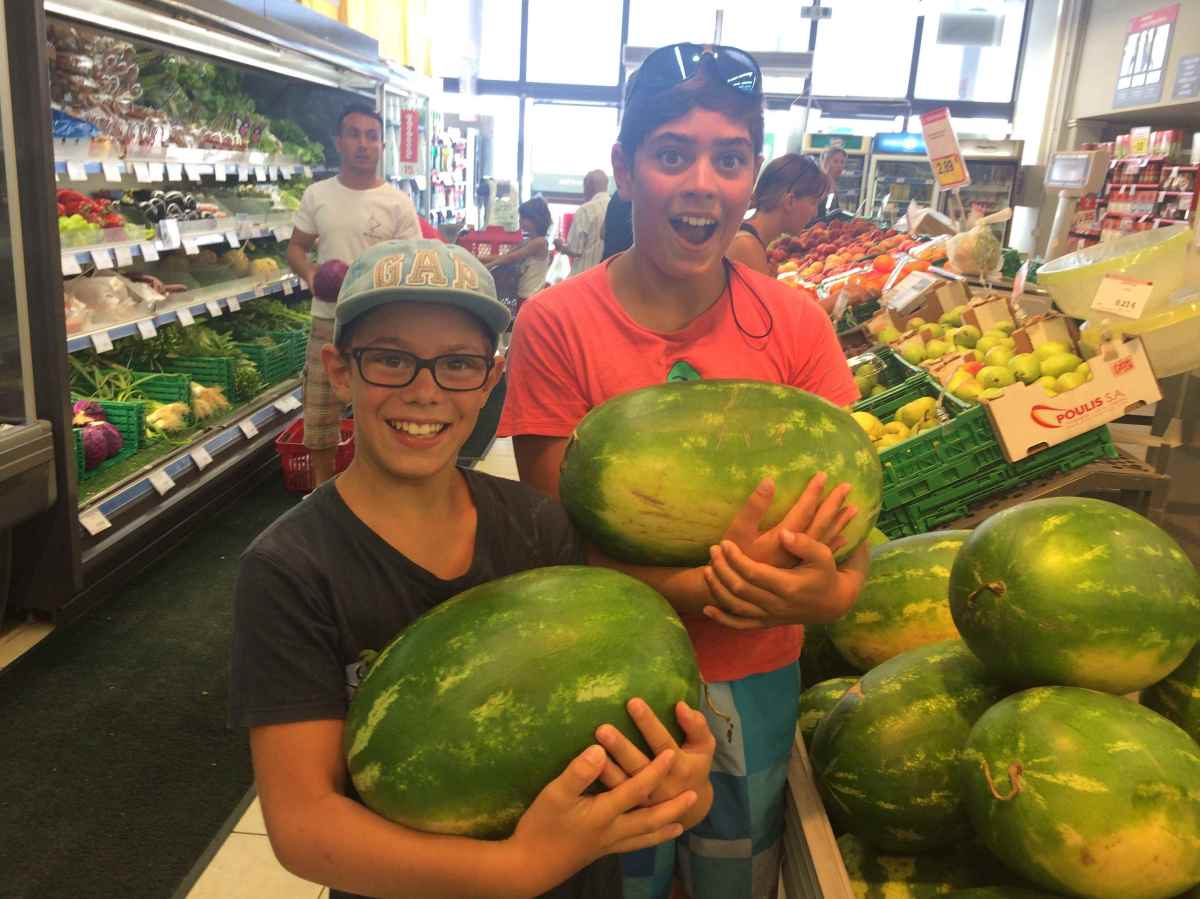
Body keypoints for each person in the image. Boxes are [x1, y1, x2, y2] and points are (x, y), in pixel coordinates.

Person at [230, 238, 716, 899]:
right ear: (340, 371)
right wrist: (513, 871)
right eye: (391, 359)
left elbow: (650, 770)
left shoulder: (540, 526)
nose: (424, 391)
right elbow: (303, 825)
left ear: (490, 379)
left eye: (457, 364)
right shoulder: (289, 569)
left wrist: (682, 786)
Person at [498, 43, 868, 899]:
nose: (703, 183)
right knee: (618, 883)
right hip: (609, 688)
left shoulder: (797, 324)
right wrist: (715, 587)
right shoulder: (556, 323)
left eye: (729, 159)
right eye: (673, 154)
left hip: (756, 674)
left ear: (751, 176)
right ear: (627, 169)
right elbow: (562, 550)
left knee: (733, 881)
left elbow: (853, 538)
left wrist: (830, 594)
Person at [287, 102, 422, 488]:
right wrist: (311, 274)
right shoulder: (318, 194)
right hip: (327, 319)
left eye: (372, 136)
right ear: (339, 142)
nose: (363, 144)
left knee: (379, 410)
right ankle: (320, 492)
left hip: (379, 324)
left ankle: (372, 488)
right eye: (354, 134)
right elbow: (296, 247)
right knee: (319, 415)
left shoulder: (397, 202)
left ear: (381, 145)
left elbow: (413, 261)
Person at [726, 153, 829, 277]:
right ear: (789, 202)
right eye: (813, 203)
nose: (815, 213)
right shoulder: (746, 246)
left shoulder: (750, 239)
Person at [487, 196, 552, 317]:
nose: (520, 221)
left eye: (523, 218)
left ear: (536, 219)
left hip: (532, 296)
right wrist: (478, 259)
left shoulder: (540, 242)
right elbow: (506, 255)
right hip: (523, 294)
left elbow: (512, 257)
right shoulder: (527, 241)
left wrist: (489, 265)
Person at [554, 169, 612, 277]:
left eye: (584, 187)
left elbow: (575, 250)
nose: (583, 192)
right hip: (605, 276)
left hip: (583, 275)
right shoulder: (615, 207)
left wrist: (560, 246)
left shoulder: (586, 210)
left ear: (589, 185)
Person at [601, 190, 634, 261]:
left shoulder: (617, 194)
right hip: (631, 261)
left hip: (610, 260)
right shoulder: (647, 194)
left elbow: (602, 233)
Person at [817, 146, 847, 219]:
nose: (840, 166)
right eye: (835, 161)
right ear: (825, 162)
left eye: (842, 162)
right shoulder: (819, 183)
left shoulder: (832, 183)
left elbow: (829, 209)